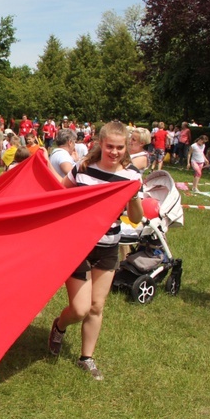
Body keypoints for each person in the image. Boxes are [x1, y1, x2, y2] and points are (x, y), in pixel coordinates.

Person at [48, 121, 143, 380]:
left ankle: (86, 358)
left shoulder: (132, 176)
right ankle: (59, 325)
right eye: (110, 146)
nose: (114, 151)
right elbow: (60, 195)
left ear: (126, 147)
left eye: (120, 147)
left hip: (109, 248)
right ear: (100, 143)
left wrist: (133, 196)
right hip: (78, 246)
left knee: (96, 306)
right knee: (79, 309)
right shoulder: (83, 168)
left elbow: (136, 218)